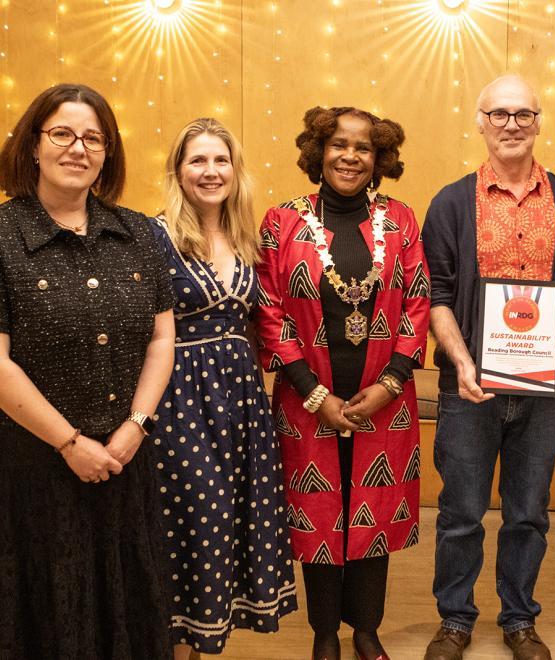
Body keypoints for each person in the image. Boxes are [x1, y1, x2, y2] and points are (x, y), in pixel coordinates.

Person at [421, 74, 555, 660]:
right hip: (468, 387)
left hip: (541, 389)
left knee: (528, 514)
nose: (511, 124)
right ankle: (455, 618)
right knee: (461, 514)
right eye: (499, 114)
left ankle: (519, 618)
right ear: (480, 121)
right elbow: (436, 296)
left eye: (523, 114)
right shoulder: (451, 202)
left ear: (539, 121)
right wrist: (462, 362)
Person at [0, 84, 175, 658]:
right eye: (62, 134)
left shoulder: (140, 234)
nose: (78, 148)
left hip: (127, 460)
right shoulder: (3, 236)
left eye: (93, 138)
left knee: (129, 605)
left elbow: (160, 338)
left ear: (108, 153)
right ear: (32, 145)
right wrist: (70, 442)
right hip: (33, 469)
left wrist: (137, 425)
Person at [255, 106, 430, 660]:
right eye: (338, 145)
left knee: (371, 512)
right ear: (318, 152)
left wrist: (391, 384)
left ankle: (367, 631)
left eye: (362, 148)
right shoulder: (282, 222)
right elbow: (269, 313)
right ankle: (325, 634)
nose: (350, 156)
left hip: (386, 400)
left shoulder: (401, 221)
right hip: (308, 403)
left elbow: (418, 304)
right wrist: (314, 395)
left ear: (379, 159)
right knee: (319, 518)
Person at [149, 117, 297, 659]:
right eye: (198, 161)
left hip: (241, 404)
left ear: (235, 172)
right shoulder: (153, 235)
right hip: (178, 401)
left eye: (221, 161)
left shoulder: (247, 238)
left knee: (221, 532)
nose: (210, 172)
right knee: (187, 528)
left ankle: (195, 650)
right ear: (178, 170)